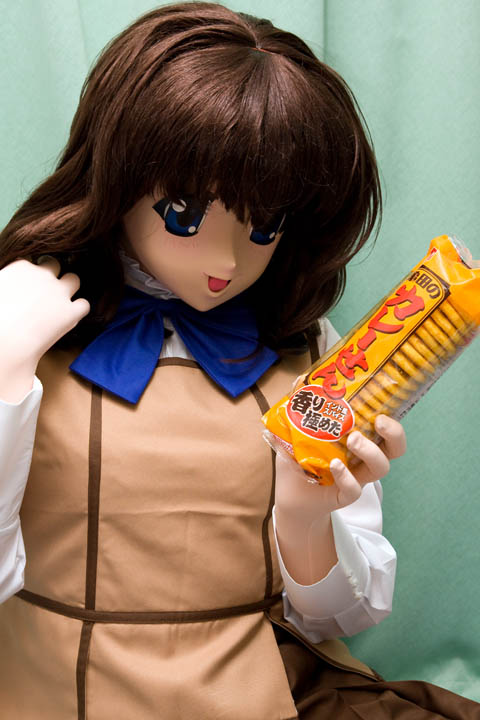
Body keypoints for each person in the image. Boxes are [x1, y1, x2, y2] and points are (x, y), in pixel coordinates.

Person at [0, 3, 478, 718]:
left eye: (265, 224)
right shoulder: (22, 328)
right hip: (57, 694)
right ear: (116, 183)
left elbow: (336, 618)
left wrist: (307, 523)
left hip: (258, 696)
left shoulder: (311, 348)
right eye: (185, 214)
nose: (226, 261)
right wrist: (4, 375)